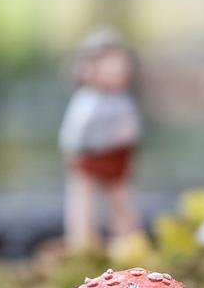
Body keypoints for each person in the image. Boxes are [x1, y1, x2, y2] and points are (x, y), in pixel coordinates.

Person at [59, 28, 142, 254]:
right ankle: (83, 243)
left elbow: (131, 128)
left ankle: (127, 241)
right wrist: (75, 153)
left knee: (121, 199)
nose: (119, 70)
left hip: (118, 158)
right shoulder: (86, 101)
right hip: (89, 158)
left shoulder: (122, 100)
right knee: (83, 199)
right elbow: (73, 133)